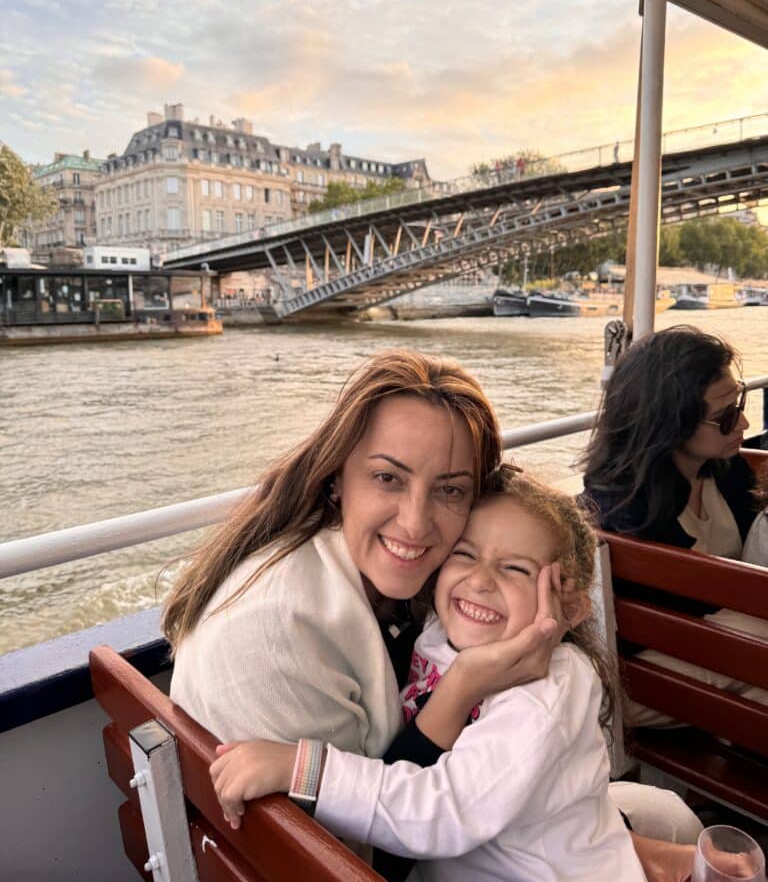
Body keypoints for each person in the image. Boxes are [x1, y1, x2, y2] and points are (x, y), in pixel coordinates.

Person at [165, 349, 701, 880]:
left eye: (449, 489)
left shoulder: (358, 580)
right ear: (336, 477)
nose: (417, 524)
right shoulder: (281, 632)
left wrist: (606, 844)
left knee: (662, 816)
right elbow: (382, 856)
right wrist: (462, 687)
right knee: (666, 817)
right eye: (388, 478)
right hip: (387, 854)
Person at [209, 470, 648, 881]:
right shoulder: (442, 632)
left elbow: (445, 810)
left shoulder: (545, 694)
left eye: (515, 568)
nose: (479, 581)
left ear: (569, 607)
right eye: (464, 554)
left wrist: (300, 768)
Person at [582, 325, 768, 723]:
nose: (744, 425)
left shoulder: (727, 471)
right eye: (726, 417)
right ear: (670, 421)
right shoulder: (621, 509)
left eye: (740, 404)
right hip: (644, 683)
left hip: (717, 659)